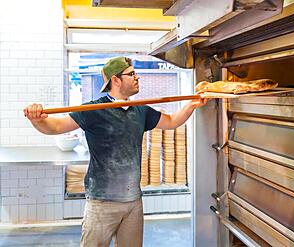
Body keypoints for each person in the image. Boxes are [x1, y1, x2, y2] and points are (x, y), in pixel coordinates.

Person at [23, 56, 207, 247]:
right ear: (116, 80)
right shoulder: (94, 110)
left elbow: (171, 121)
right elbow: (55, 126)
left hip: (133, 202)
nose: (137, 77)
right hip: (101, 203)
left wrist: (192, 105)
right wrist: (37, 119)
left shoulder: (140, 111)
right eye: (132, 74)